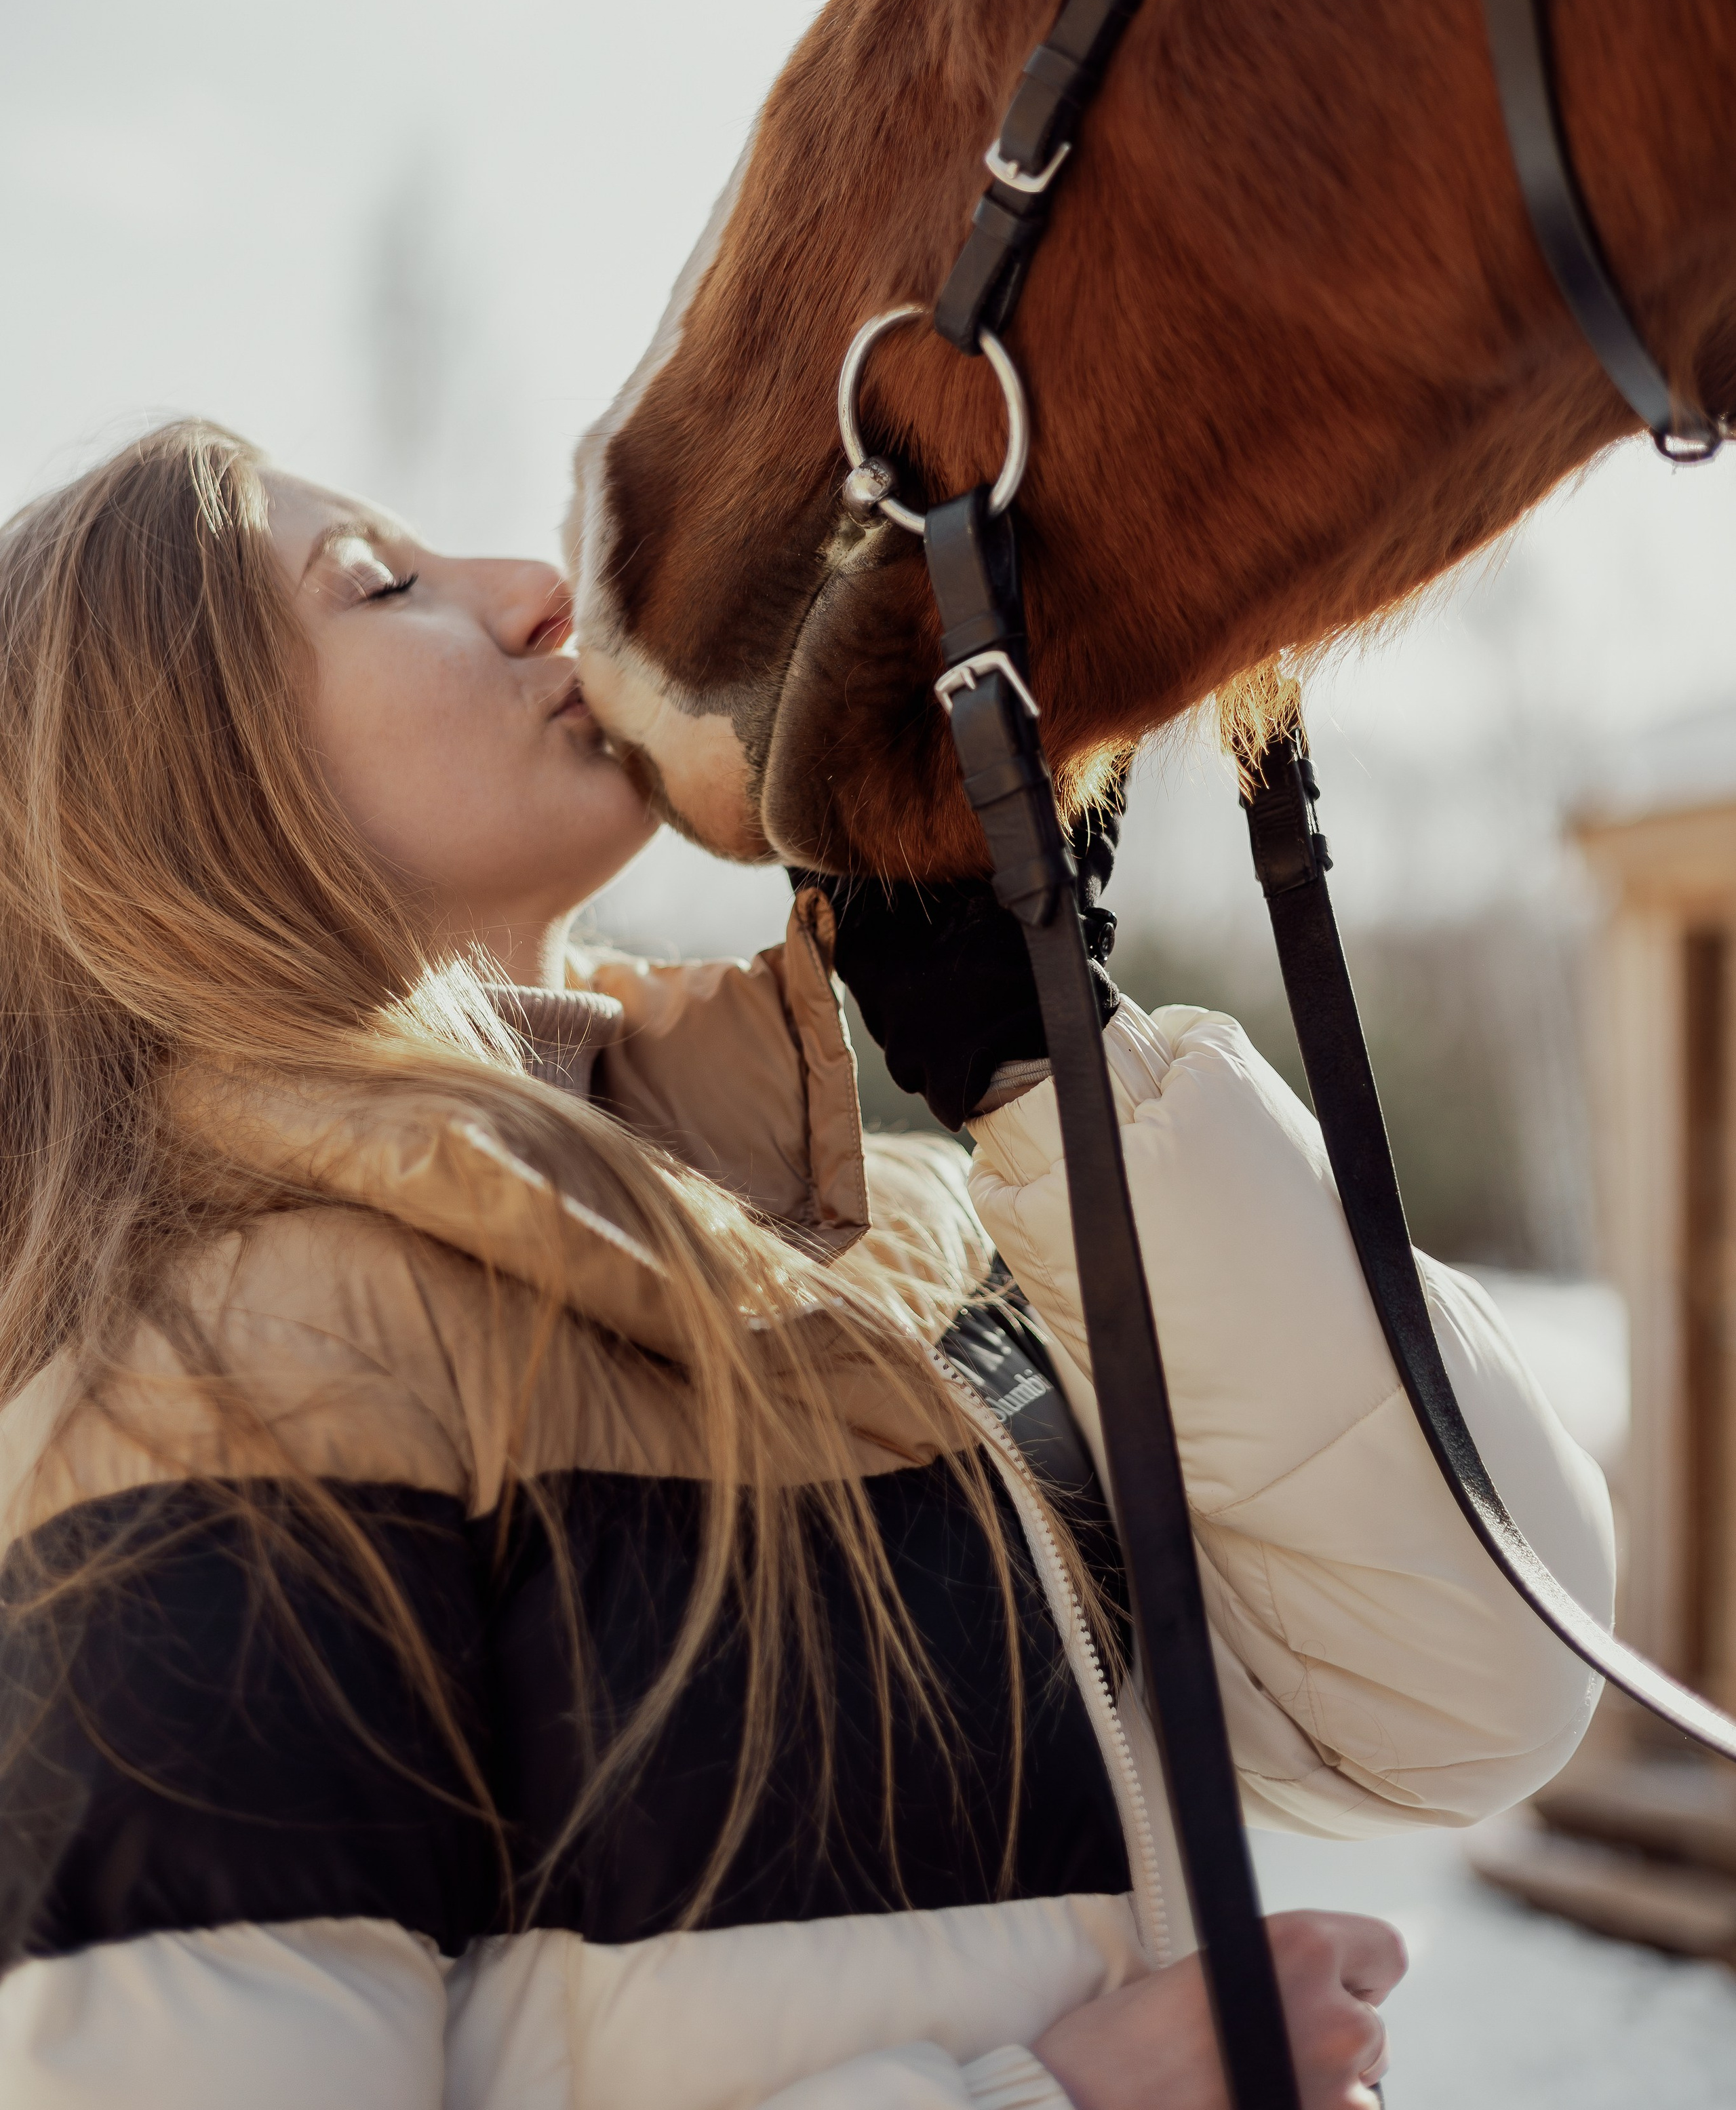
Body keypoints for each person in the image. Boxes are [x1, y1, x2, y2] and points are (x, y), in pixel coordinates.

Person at [0, 421, 1612, 2110]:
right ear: (186, 790)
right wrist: (1061, 2099)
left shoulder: (888, 1254)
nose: (547, 597)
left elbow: (1473, 1680)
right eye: (380, 584)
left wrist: (1047, 1065)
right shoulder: (218, 1381)